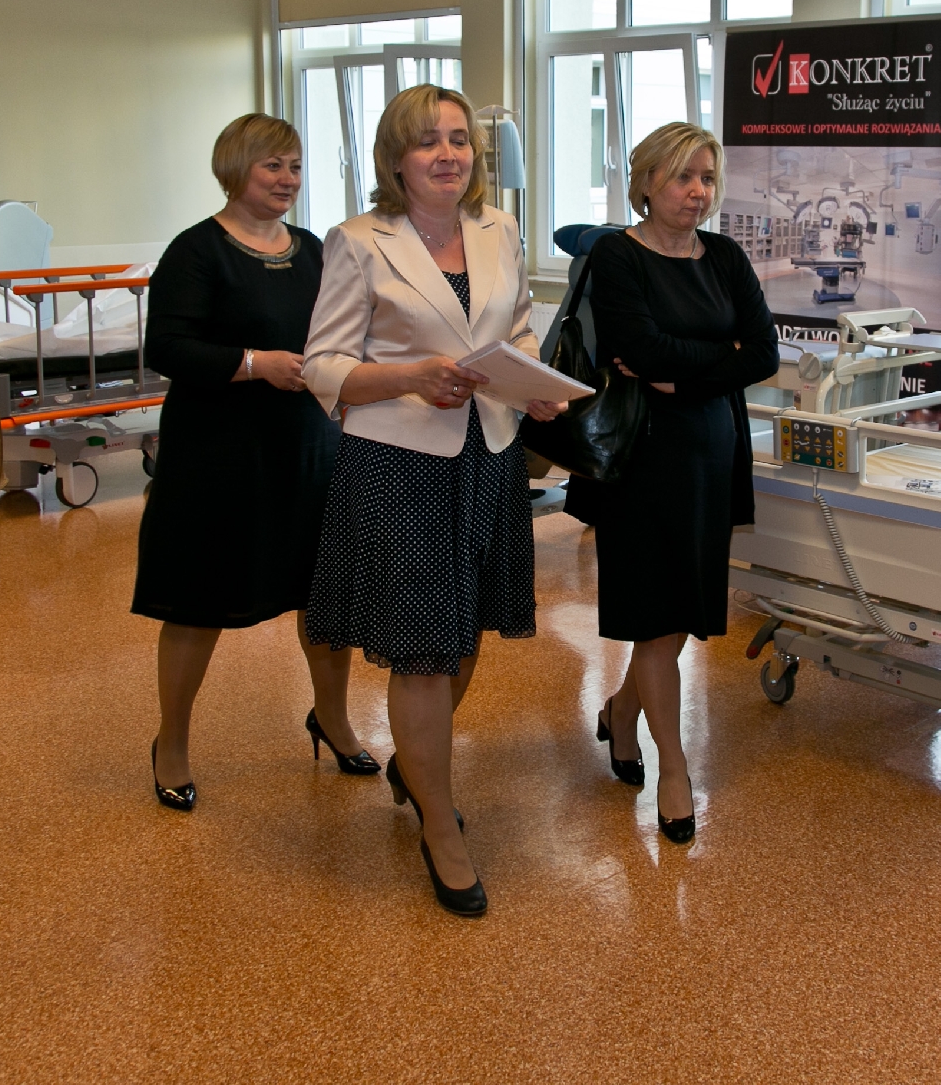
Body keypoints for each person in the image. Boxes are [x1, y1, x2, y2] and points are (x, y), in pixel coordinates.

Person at [303, 85, 562, 917]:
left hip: (490, 455)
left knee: (467, 635)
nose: (447, 154)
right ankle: (439, 824)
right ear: (396, 159)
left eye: (458, 139)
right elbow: (324, 367)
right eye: (427, 141)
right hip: (399, 463)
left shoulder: (498, 229)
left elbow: (516, 328)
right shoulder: (358, 241)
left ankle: (416, 769)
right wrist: (409, 376)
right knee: (421, 650)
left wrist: (533, 381)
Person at [133, 114, 370, 812]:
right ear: (236, 168)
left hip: (308, 448)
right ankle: (172, 743)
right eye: (273, 166)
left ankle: (331, 718)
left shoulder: (313, 249)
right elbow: (166, 348)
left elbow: (341, 331)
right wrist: (251, 364)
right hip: (217, 454)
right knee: (198, 602)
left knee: (324, 598)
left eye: (294, 166)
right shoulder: (196, 251)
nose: (287, 179)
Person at [581, 122, 778, 844]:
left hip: (711, 451)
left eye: (706, 178)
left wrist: (682, 374)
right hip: (643, 457)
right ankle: (673, 768)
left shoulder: (723, 256)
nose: (697, 192)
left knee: (675, 615)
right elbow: (640, 348)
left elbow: (764, 353)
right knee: (657, 619)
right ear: (646, 182)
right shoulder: (616, 254)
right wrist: (715, 355)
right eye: (682, 177)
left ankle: (621, 711)